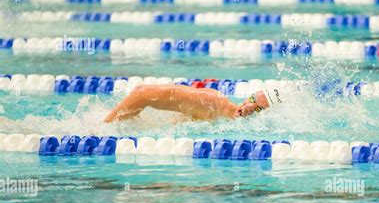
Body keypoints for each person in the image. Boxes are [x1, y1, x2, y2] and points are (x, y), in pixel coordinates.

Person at [104, 84, 283, 123]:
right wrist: (105, 127)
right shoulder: (211, 103)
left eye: (259, 109)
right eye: (253, 102)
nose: (251, 109)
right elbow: (141, 93)